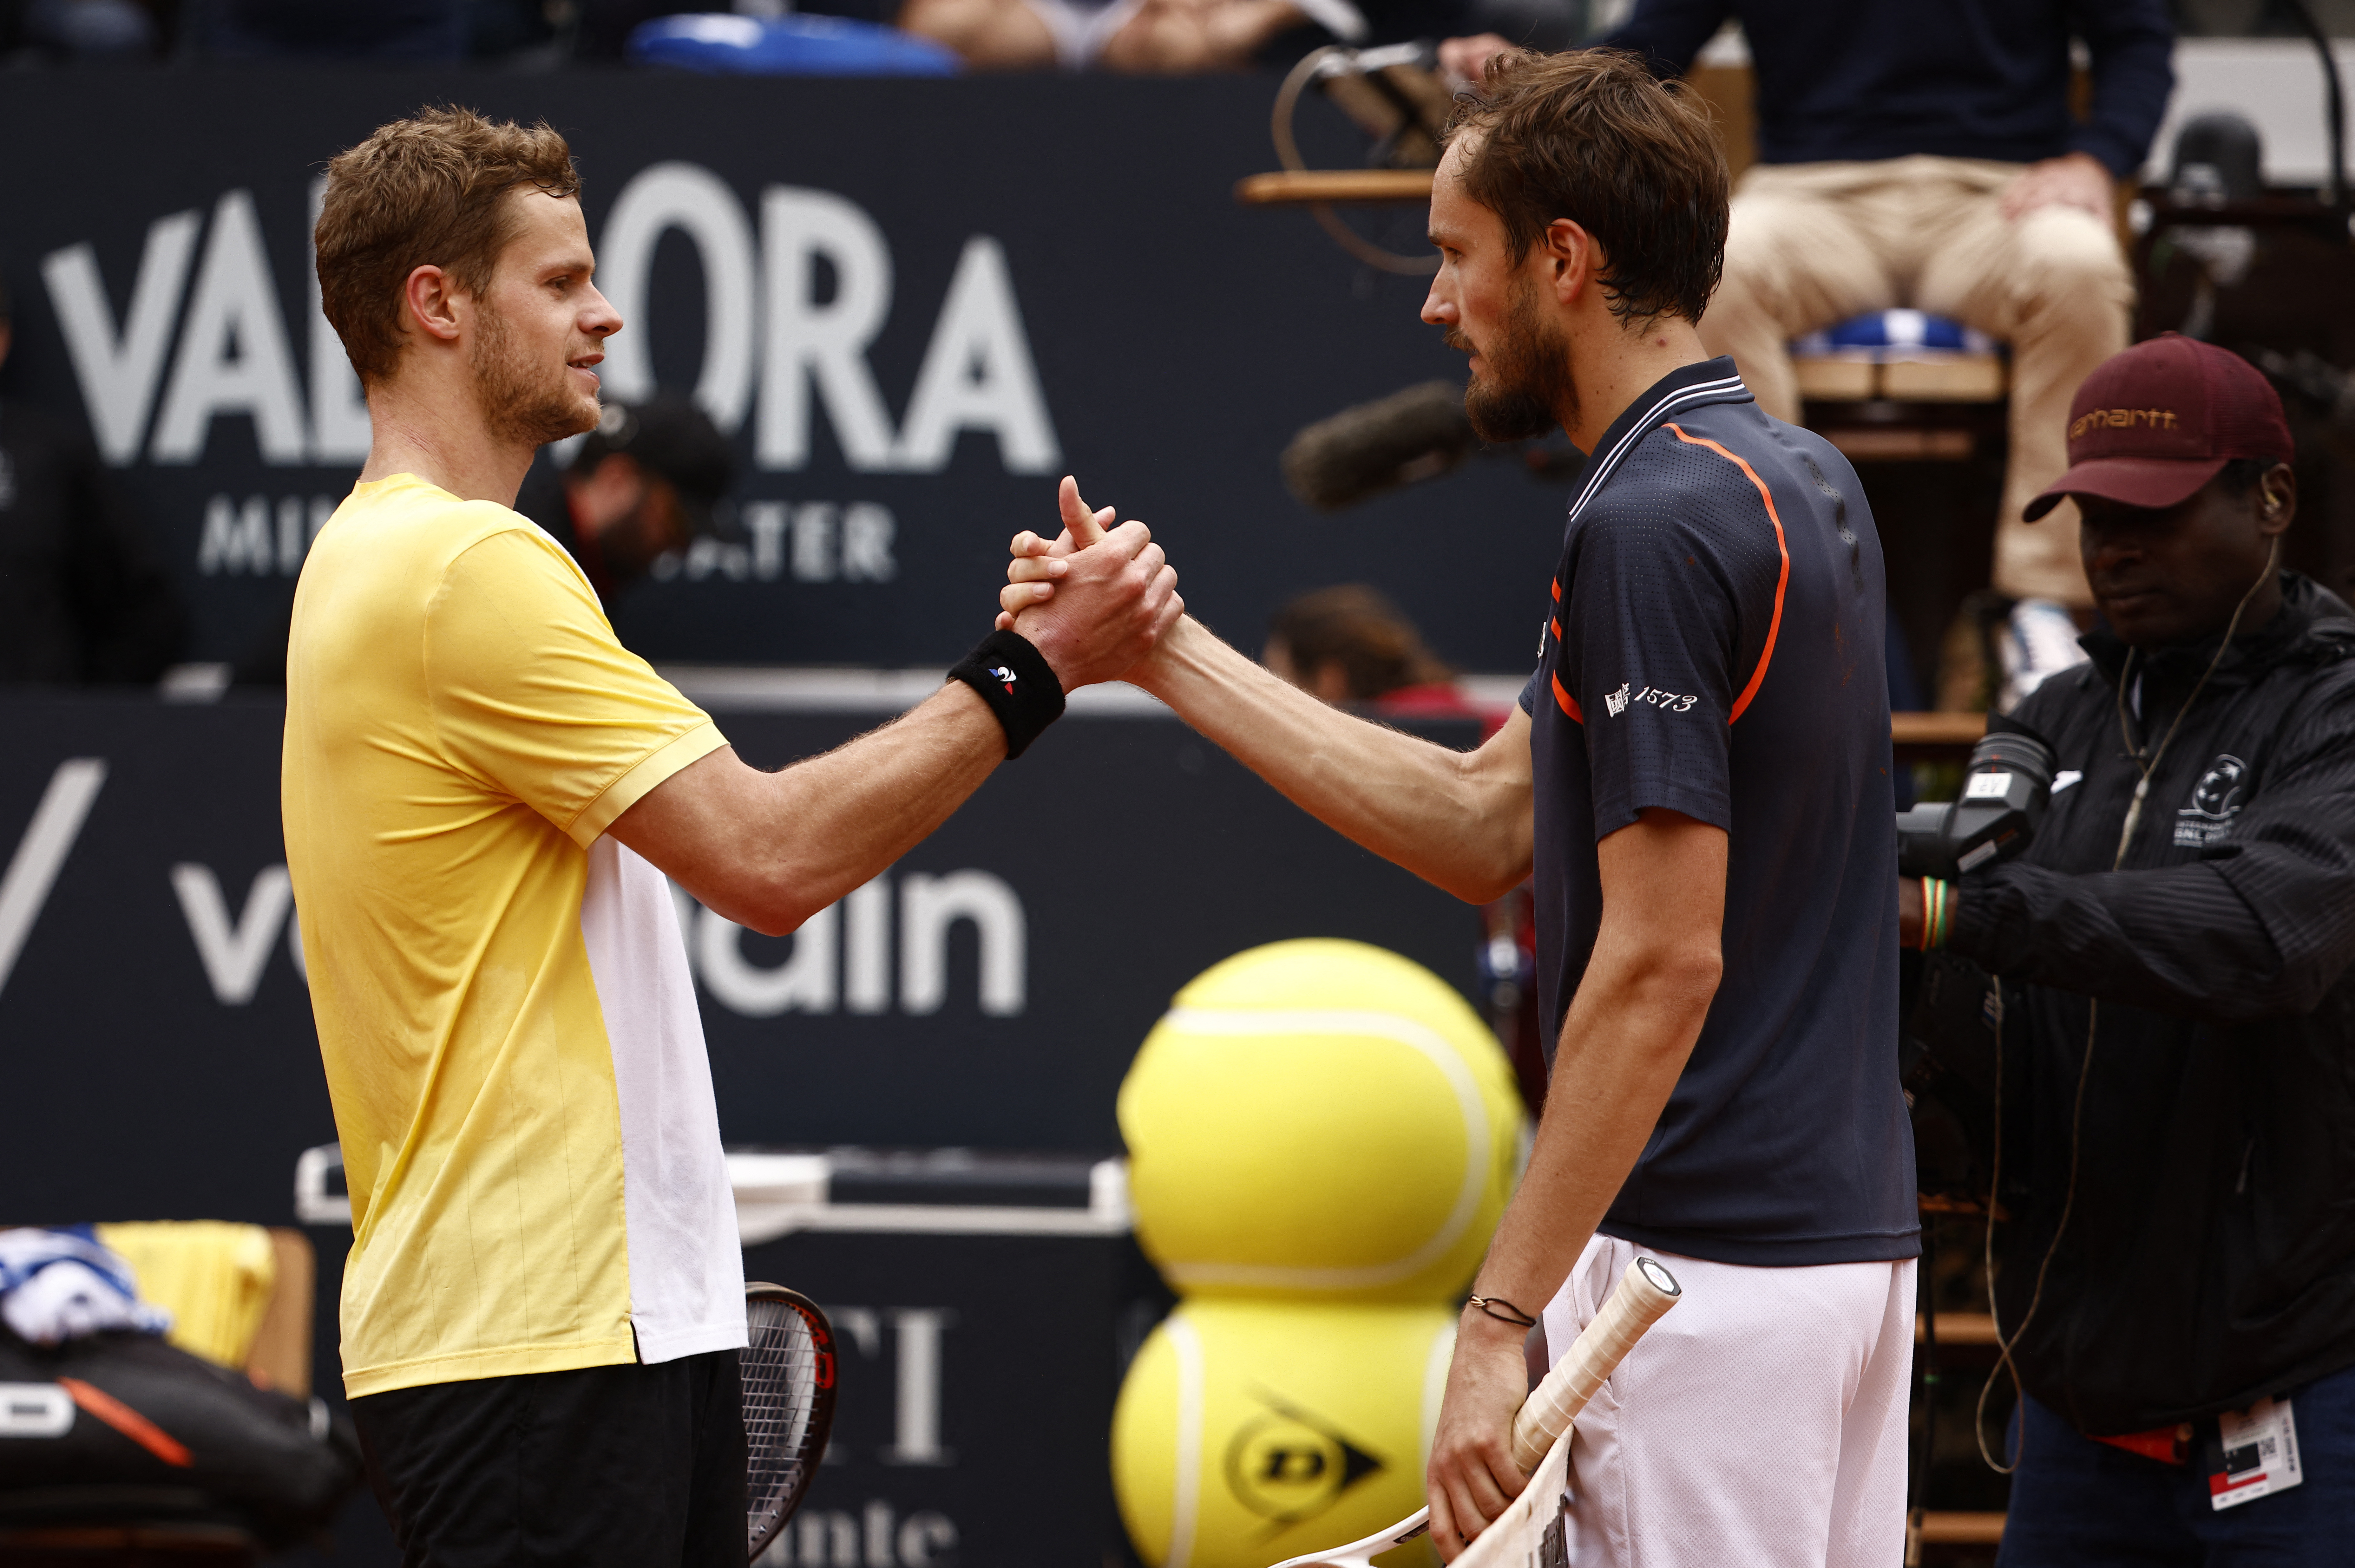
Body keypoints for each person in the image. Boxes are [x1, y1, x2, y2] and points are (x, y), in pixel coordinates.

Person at [1007, 49, 1916, 1566]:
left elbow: (1657, 958)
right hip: (1837, 1268)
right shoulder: (1784, 475)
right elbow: (1486, 822)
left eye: (1453, 255)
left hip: (1686, 1290)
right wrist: (1159, 651)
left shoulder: (1647, 524)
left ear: (1562, 259)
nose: (1436, 306)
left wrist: (1499, 1315)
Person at [285, 106, 1178, 1565]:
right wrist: (1033, 672)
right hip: (539, 1345)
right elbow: (769, 858)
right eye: (561, 282)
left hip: (577, 1332)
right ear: (435, 305)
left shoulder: (391, 560)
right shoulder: (464, 567)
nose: (607, 313)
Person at [1906, 334, 2355, 1563]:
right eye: (2092, 515)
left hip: (2300, 1386)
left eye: (2151, 514)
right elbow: (1975, 970)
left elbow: (2264, 939)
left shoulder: (2335, 714)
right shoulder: (2049, 717)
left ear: (2268, 499)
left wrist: (1957, 917)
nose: (2111, 548)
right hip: (2074, 1399)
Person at [1445, 0, 2173, 618]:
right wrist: (1527, 77)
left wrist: (2097, 158)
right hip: (1811, 192)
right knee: (1713, 268)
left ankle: (2044, 608)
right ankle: (1779, 577)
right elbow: (1645, 48)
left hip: (1999, 192)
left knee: (2079, 266)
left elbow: (2137, 37)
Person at [0, 275, 186, 686]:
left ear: (4, 338)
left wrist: (80, 717)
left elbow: (148, 612)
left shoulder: (48, 457)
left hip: (33, 735)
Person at [517, 390, 734, 612]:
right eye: (676, 520)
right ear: (617, 479)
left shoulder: (589, 574)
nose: (681, 547)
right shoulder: (520, 557)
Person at [1263, 582, 1466, 715]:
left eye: (1279, 680)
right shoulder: (1459, 713)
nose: (1268, 699)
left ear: (1329, 681)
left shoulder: (1393, 739)